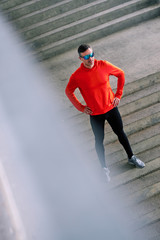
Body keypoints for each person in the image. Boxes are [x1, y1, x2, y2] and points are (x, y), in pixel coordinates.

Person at [65, 44, 145, 181]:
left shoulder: (104, 65)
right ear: (80, 59)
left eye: (91, 55)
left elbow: (121, 74)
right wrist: (81, 107)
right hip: (95, 114)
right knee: (99, 141)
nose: (90, 59)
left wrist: (118, 95)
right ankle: (104, 168)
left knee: (121, 133)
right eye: (86, 57)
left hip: (111, 109)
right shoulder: (77, 76)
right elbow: (68, 91)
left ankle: (131, 157)